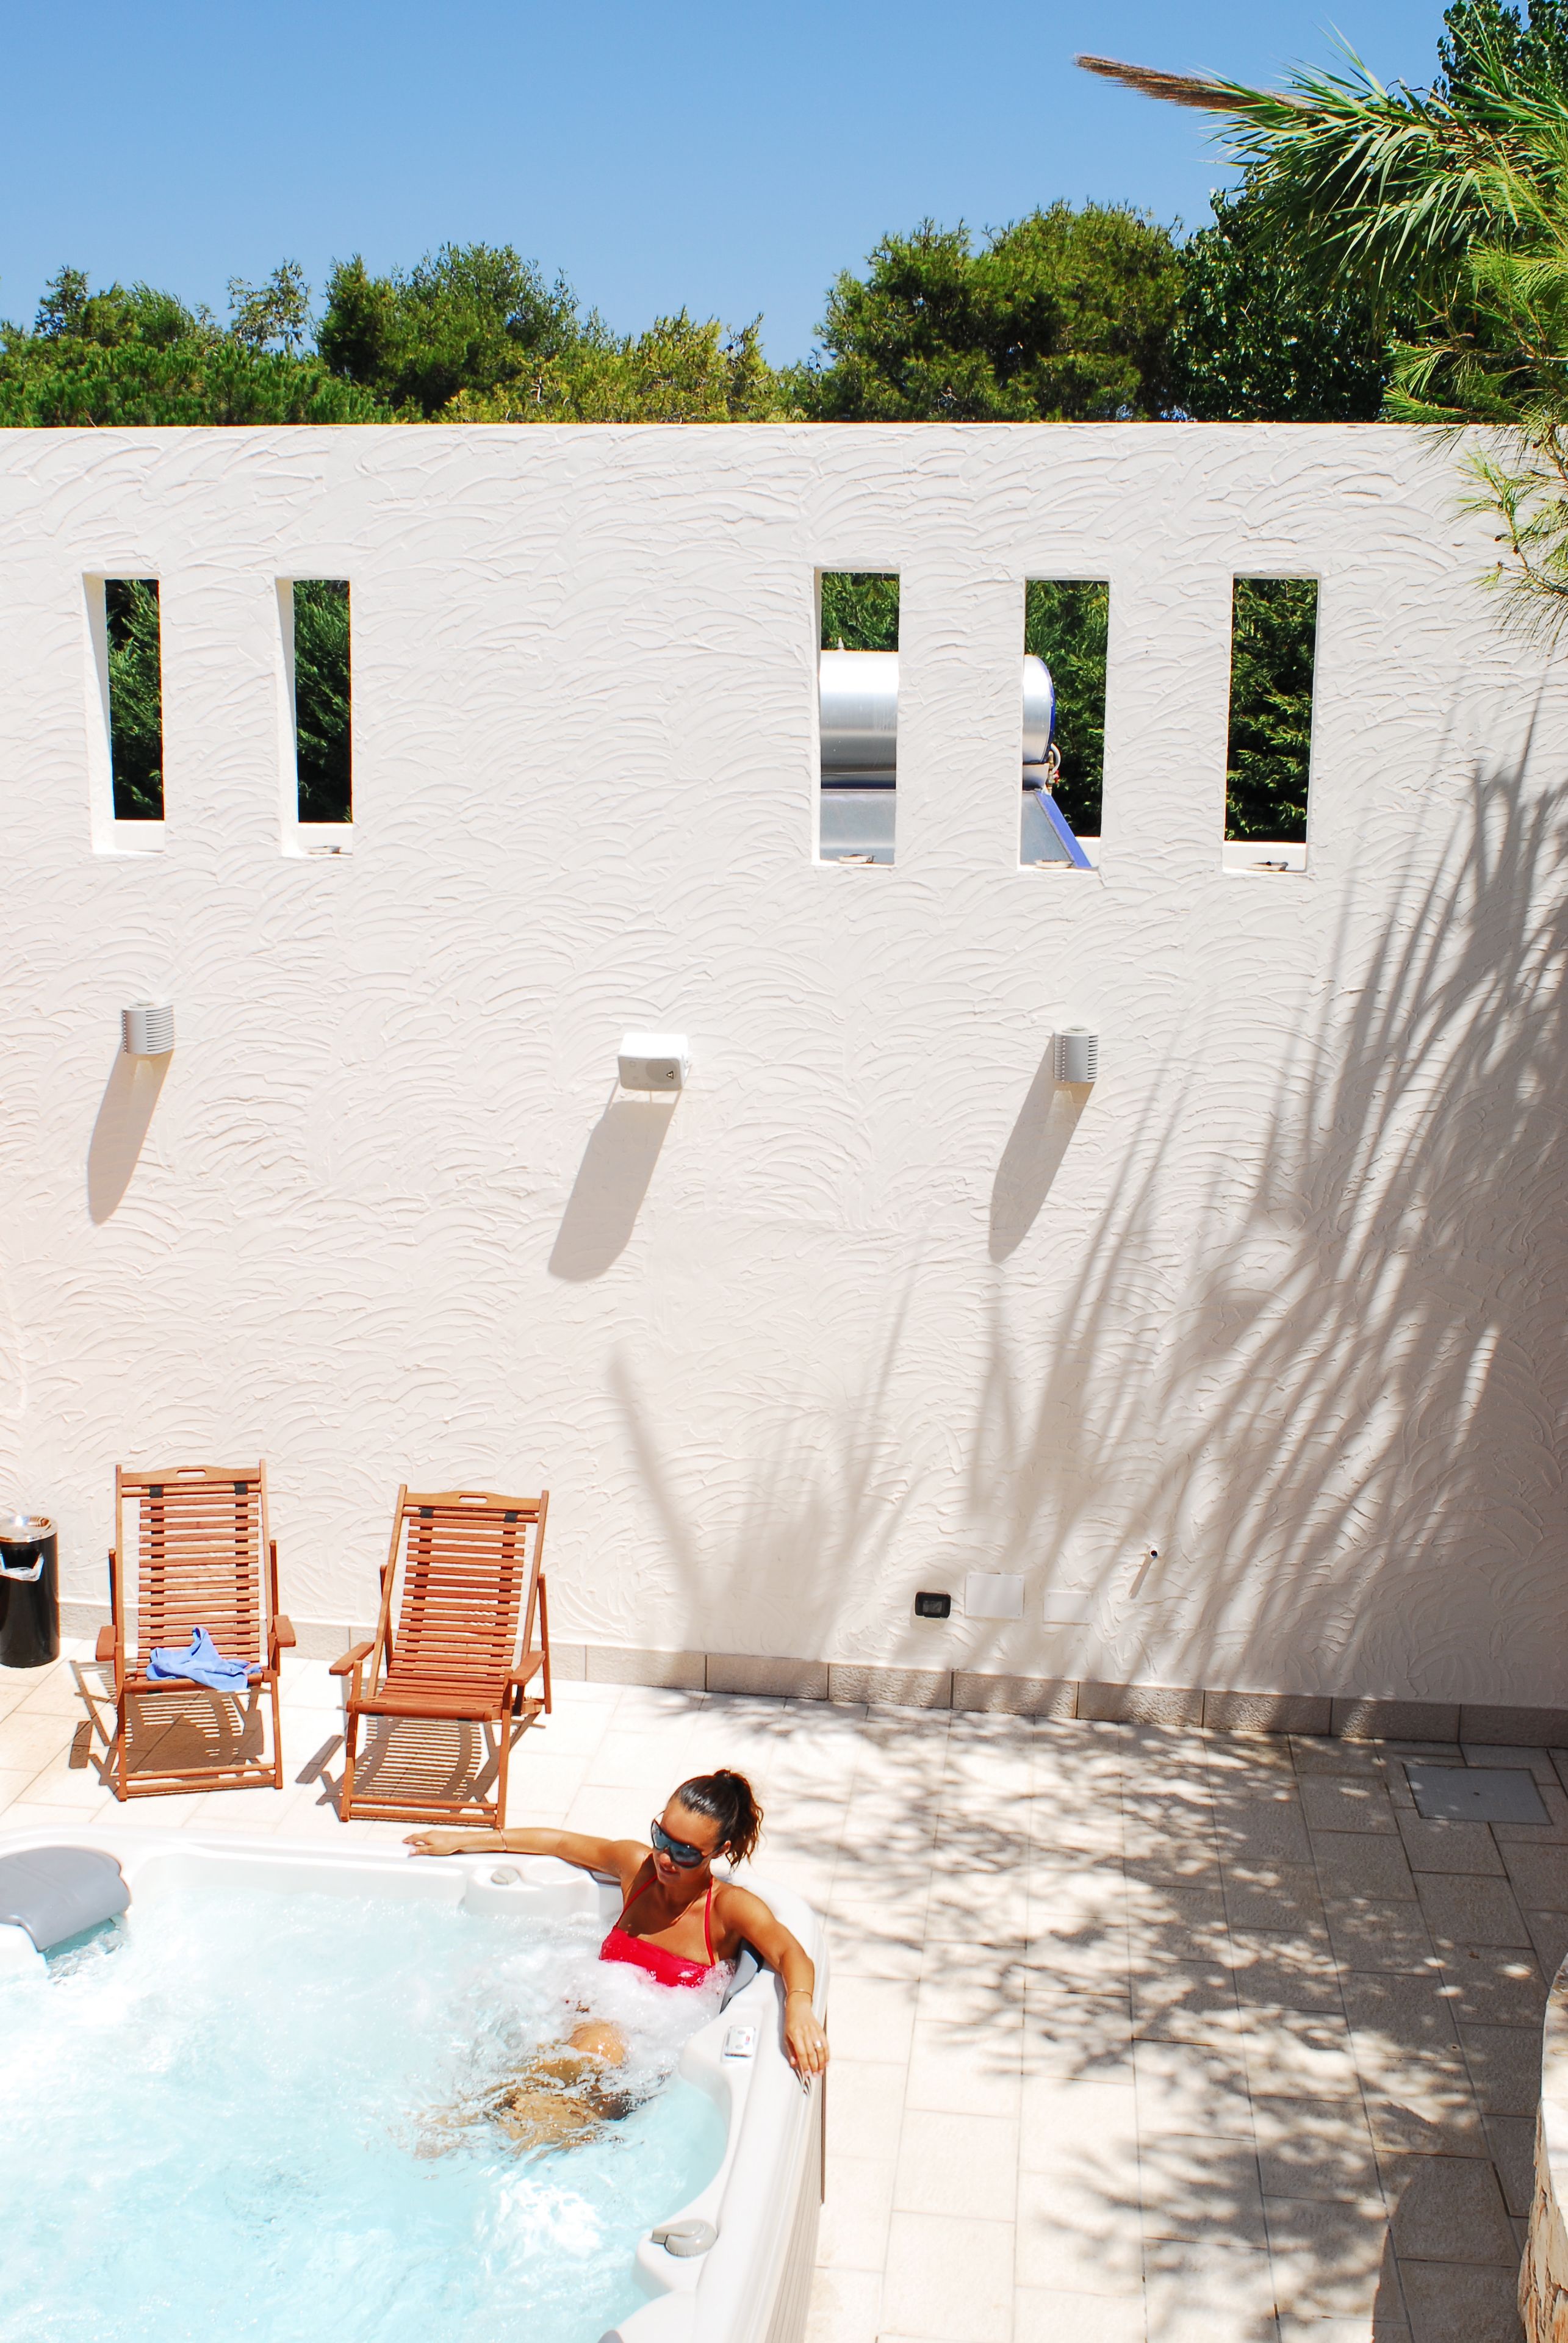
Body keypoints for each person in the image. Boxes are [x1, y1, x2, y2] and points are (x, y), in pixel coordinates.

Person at [406, 1769, 829, 2111]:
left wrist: (800, 2008)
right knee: (528, 2109)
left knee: (527, 2113)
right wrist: (462, 1841)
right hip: (576, 2030)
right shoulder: (638, 1869)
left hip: (638, 2065)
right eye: (661, 1838)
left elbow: (790, 1952)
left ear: (719, 1850)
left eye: (685, 1853)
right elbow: (559, 1842)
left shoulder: (728, 1909)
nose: (665, 1858)